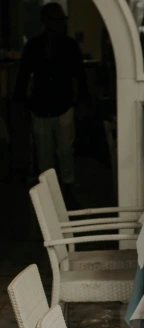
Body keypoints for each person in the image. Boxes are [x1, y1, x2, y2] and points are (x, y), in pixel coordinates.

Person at [14, 2, 88, 191]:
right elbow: (79, 76)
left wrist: (21, 102)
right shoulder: (68, 45)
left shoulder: (35, 46)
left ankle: (51, 188)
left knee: (46, 151)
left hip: (44, 103)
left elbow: (23, 77)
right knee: (62, 150)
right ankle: (65, 186)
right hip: (58, 102)